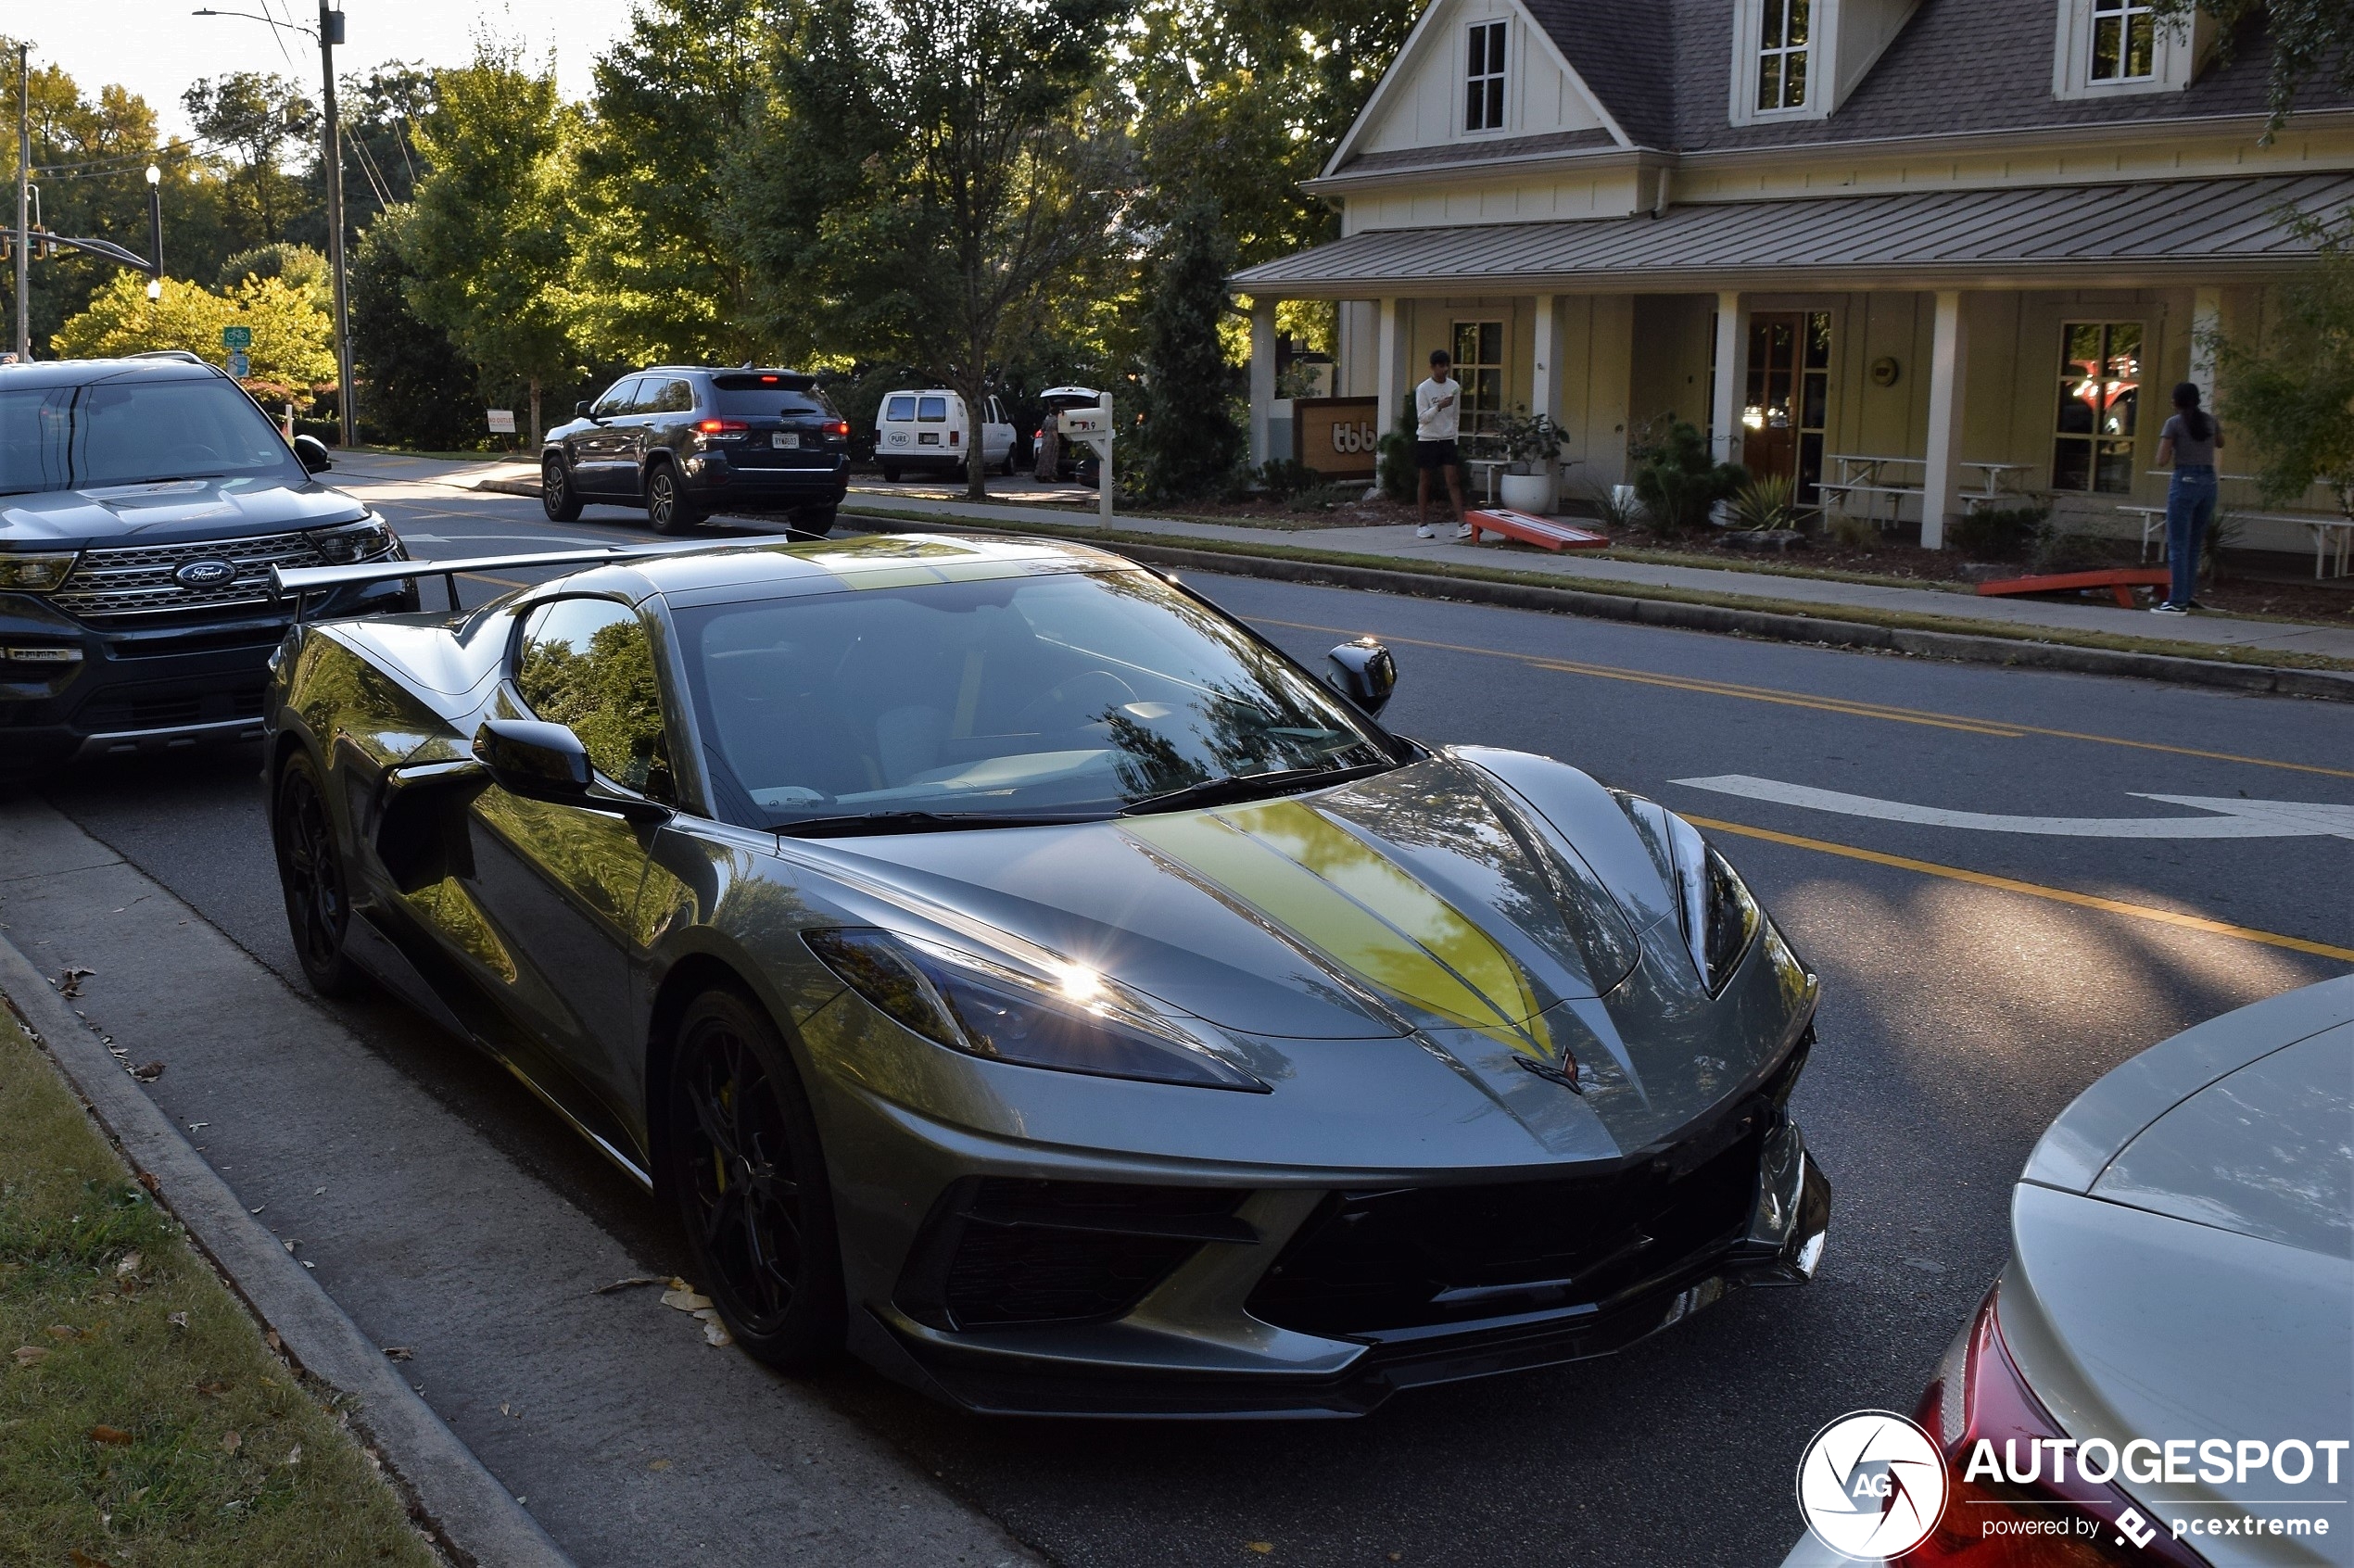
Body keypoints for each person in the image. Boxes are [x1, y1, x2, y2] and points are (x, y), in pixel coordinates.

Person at [2152, 381, 2223, 614]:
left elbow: (2161, 459)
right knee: (2194, 544)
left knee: (2178, 544)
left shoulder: (2173, 424)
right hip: (2209, 482)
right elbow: (2220, 442)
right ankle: (2187, 594)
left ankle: (2177, 600)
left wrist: (2171, 447)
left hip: (2185, 481)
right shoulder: (2210, 421)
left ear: (2176, 402)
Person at [1413, 349, 1472, 540]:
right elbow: (1422, 418)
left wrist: (1454, 438)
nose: (1444, 369)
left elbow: (1456, 416)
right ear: (1433, 367)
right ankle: (1422, 524)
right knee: (1425, 481)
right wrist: (1438, 406)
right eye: (1440, 366)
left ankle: (1462, 524)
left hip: (1447, 439)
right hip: (1428, 440)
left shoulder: (1454, 386)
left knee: (1453, 480)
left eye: (1446, 365)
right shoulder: (1423, 389)